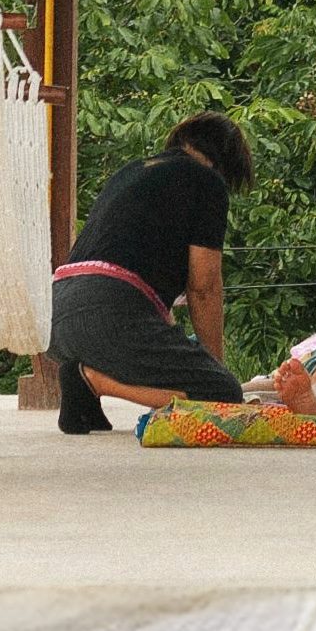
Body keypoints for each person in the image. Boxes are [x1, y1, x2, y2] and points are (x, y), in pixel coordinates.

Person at [50, 112, 256, 433]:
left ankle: (83, 403)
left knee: (185, 369)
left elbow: (141, 292)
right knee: (223, 393)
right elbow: (204, 287)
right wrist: (214, 371)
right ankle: (93, 380)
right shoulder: (206, 181)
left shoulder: (131, 172)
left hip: (56, 316)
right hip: (107, 314)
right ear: (224, 161)